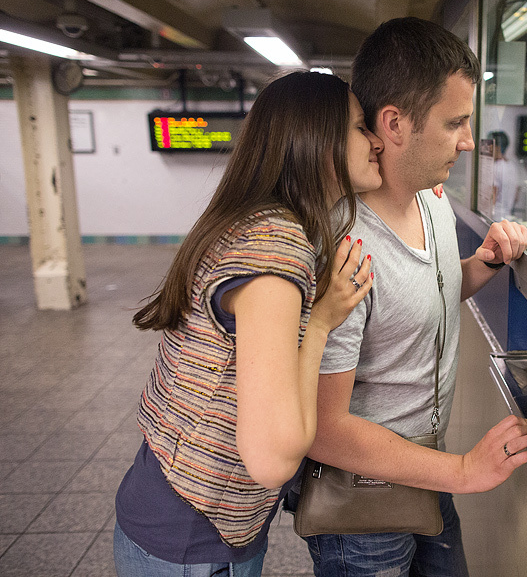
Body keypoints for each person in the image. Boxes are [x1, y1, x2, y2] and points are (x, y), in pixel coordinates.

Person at [113, 71, 384, 576]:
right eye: (359, 127)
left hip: (179, 513)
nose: (376, 141)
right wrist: (321, 323)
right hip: (190, 539)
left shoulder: (254, 221)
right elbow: (273, 460)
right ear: (315, 140)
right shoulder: (275, 248)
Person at [298, 17, 527, 576]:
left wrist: (484, 263)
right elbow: (325, 429)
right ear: (394, 123)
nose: (468, 140)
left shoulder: (433, 200)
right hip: (364, 508)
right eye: (455, 122)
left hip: (425, 473)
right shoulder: (345, 246)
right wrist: (464, 471)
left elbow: (425, 297)